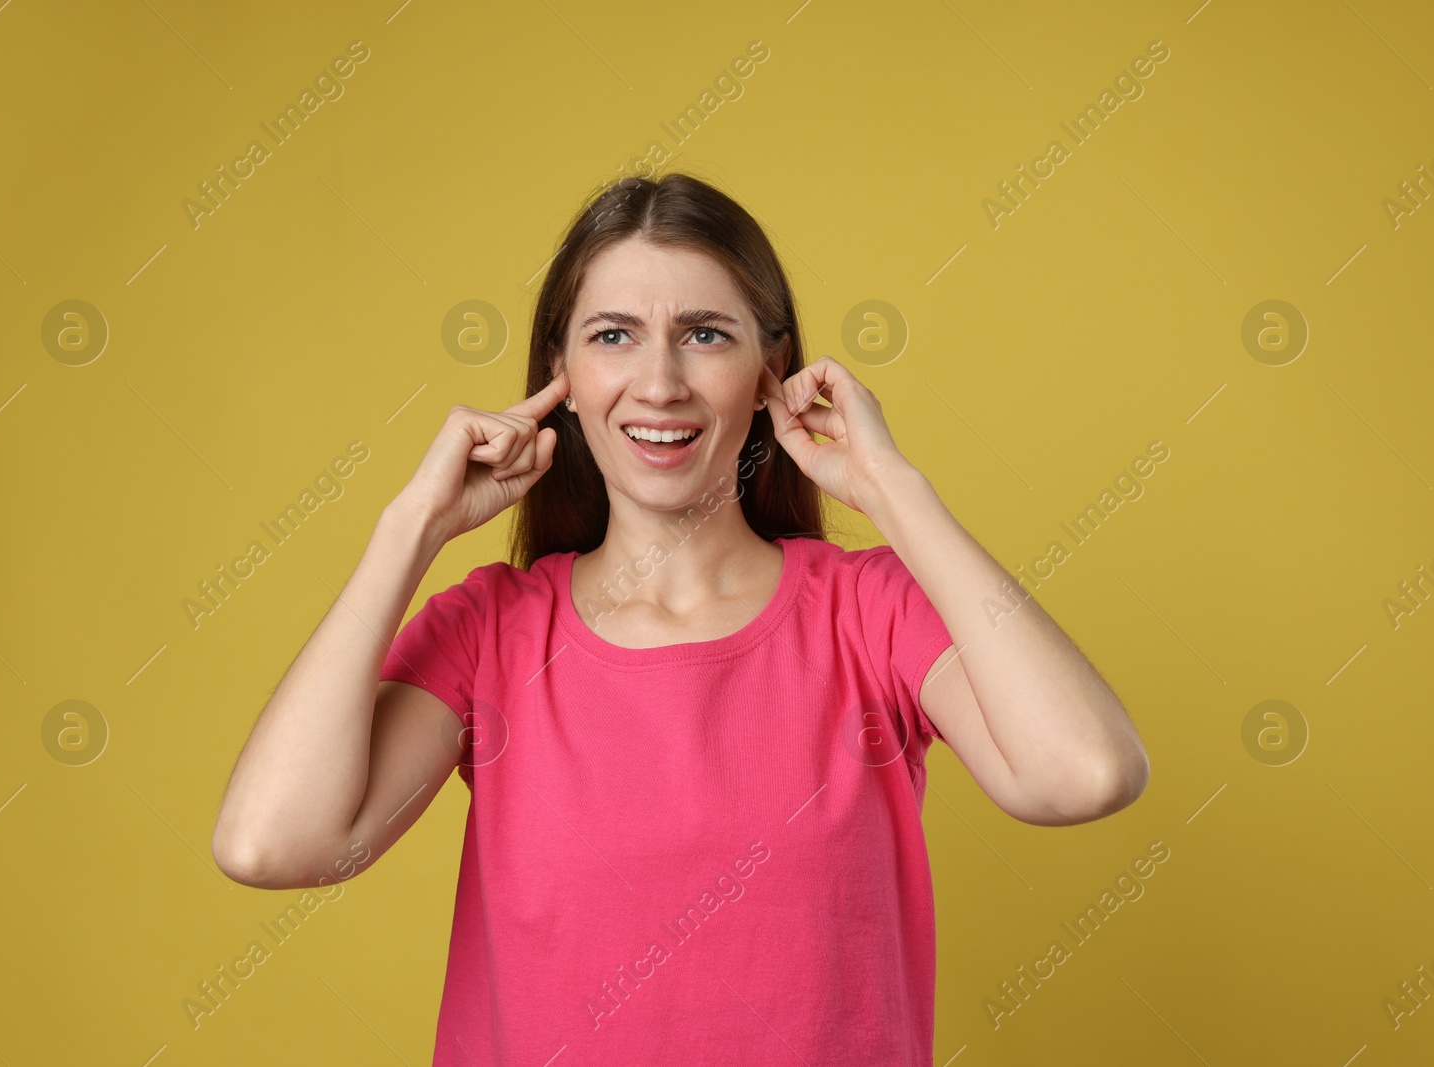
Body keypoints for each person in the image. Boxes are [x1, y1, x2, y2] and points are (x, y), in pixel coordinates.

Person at [211, 173, 1150, 1064]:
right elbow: (273, 844)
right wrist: (409, 528)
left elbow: (1084, 773)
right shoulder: (492, 635)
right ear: (562, 375)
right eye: (614, 335)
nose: (659, 382)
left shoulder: (868, 612)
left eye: (705, 334)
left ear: (770, 368)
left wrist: (894, 491)